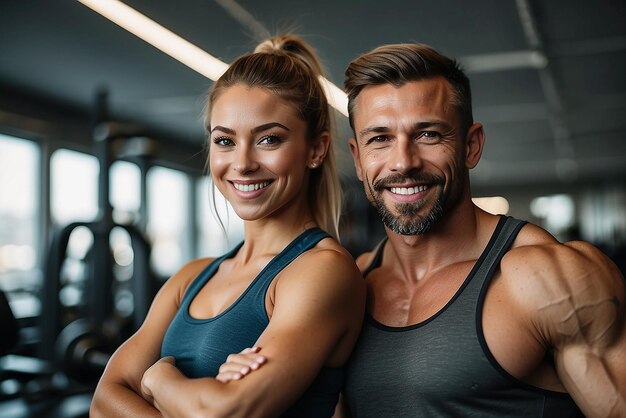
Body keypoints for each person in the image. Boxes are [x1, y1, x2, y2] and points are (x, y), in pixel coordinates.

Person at [215, 43, 626, 417]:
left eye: (428, 134)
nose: (402, 162)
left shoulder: (549, 276)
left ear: (471, 145)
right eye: (380, 139)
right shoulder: (352, 285)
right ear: (357, 159)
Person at [89, 34, 365, 418]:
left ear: (316, 149)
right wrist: (194, 399)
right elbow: (104, 402)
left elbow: (226, 413)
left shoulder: (320, 272)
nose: (242, 163)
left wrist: (158, 381)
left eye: (269, 139)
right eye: (225, 140)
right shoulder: (191, 277)